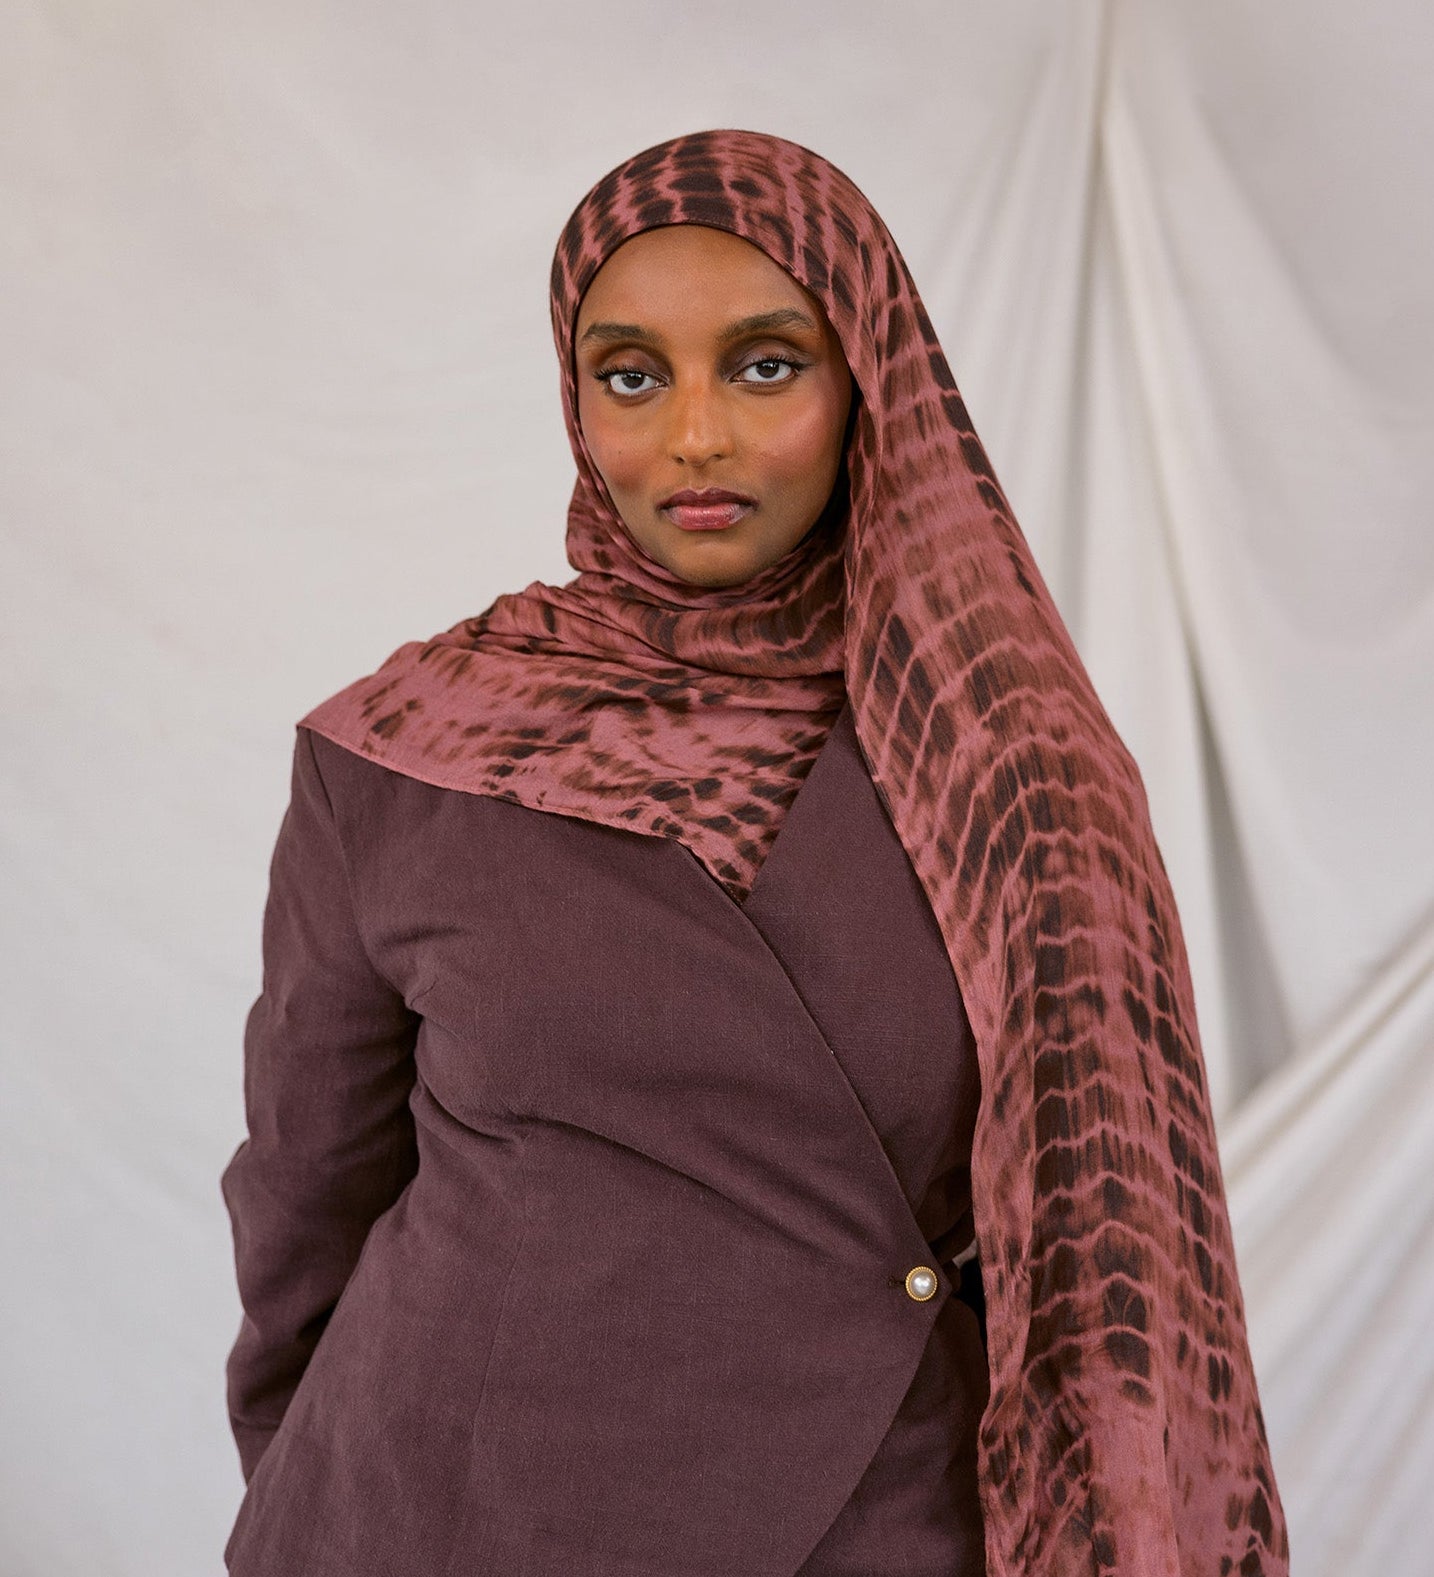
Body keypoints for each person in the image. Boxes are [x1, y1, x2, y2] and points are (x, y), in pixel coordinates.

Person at [220, 130, 1289, 1576]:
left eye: (766, 364)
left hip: (872, 1517)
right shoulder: (402, 751)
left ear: (871, 384)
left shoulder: (1013, 762)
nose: (695, 436)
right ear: (574, 393)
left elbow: (1117, 1278)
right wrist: (319, 1499)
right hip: (448, 1509)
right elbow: (304, 1211)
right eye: (631, 373)